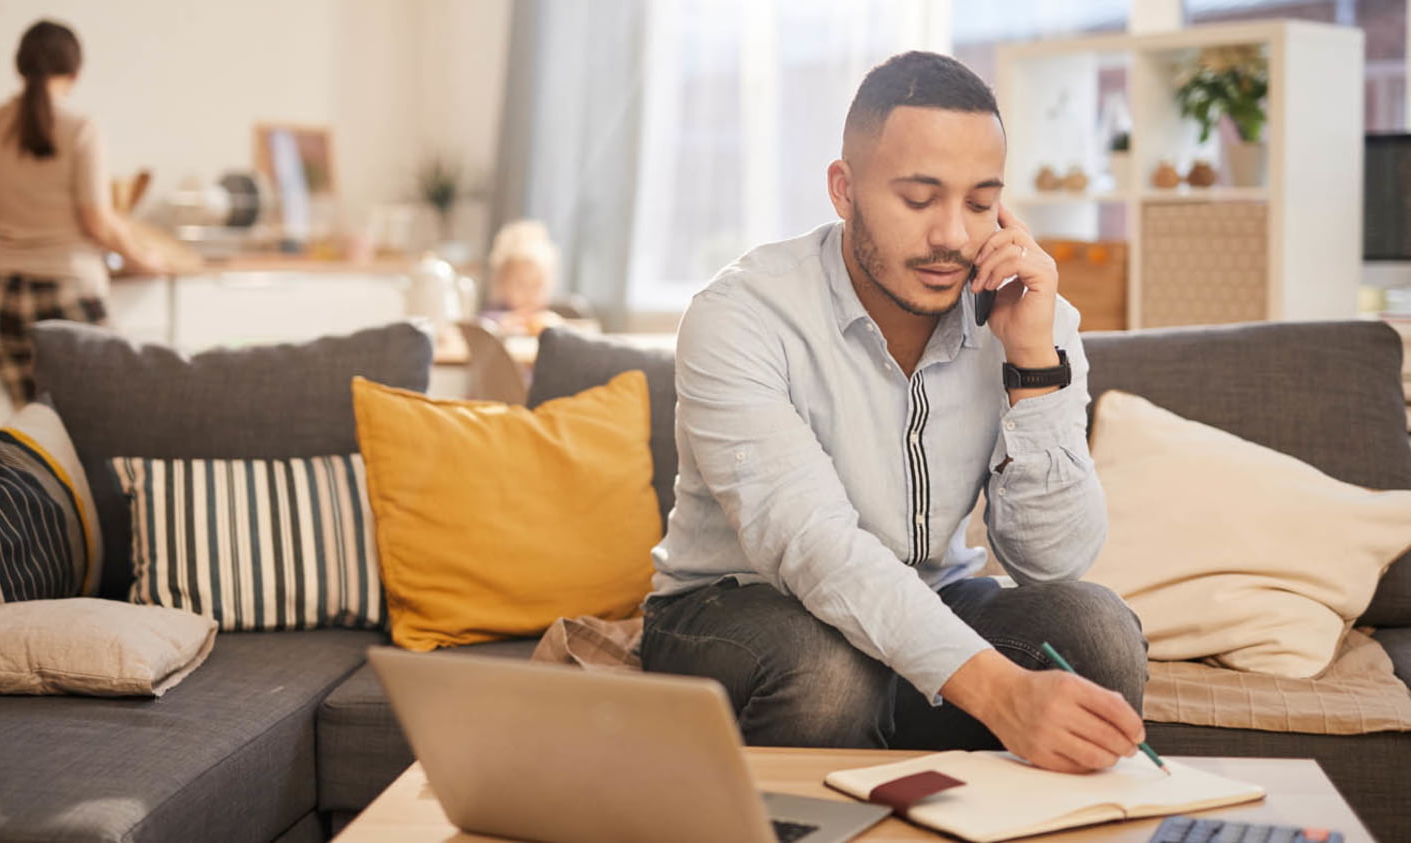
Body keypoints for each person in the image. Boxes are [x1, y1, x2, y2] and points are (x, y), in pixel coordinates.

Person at [641, 51, 1149, 774]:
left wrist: (1032, 365)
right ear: (843, 190)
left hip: (928, 600)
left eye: (979, 204)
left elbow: (1055, 561)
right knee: (826, 675)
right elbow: (815, 548)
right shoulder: (741, 316)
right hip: (736, 613)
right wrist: (1002, 694)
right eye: (919, 200)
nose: (952, 236)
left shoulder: (1034, 318)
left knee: (1096, 633)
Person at [0, 19, 161, 406]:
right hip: (70, 290)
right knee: (108, 415)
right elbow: (95, 220)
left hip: (3, 297)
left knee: (36, 428)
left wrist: (13, 217)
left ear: (20, 66)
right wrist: (142, 258)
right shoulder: (80, 128)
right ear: (74, 73)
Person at [483, 219, 565, 335]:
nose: (530, 293)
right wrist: (506, 323)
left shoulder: (546, 319)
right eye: (522, 285)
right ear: (503, 284)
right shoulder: (493, 317)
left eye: (537, 285)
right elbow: (482, 328)